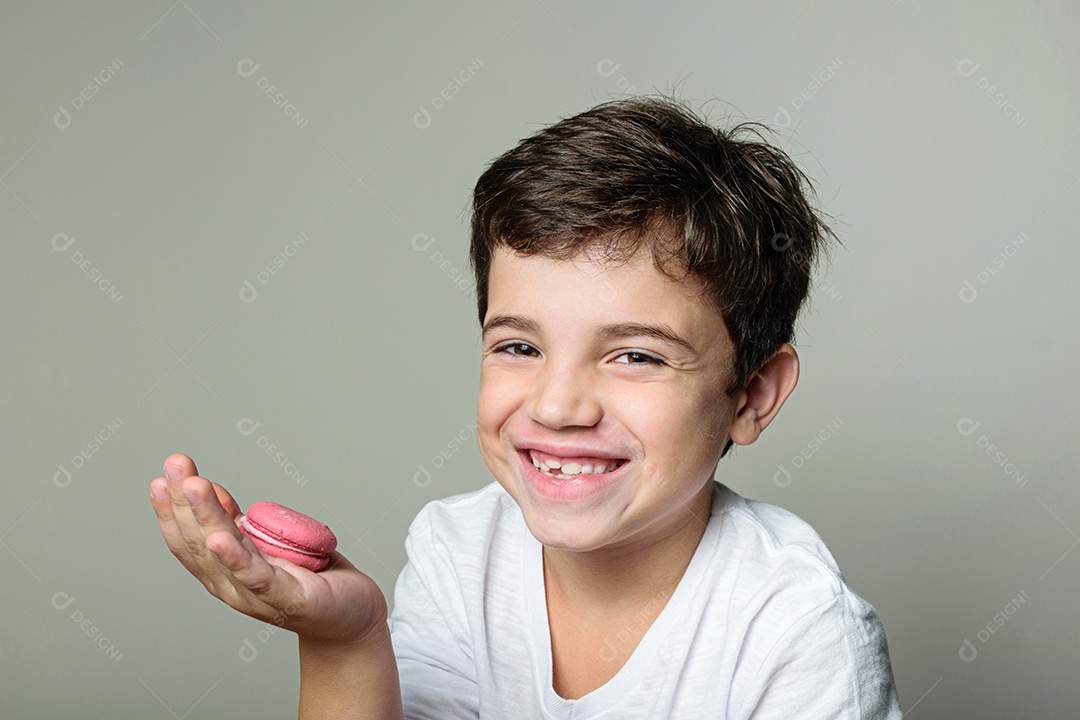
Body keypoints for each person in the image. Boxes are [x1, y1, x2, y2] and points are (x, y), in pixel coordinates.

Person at [149, 95, 903, 718]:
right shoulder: (459, 553)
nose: (560, 406)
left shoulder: (797, 632)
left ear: (752, 395)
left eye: (636, 356)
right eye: (520, 347)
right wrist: (347, 639)